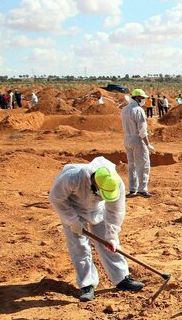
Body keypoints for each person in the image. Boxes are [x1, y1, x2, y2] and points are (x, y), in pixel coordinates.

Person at [49, 156, 145, 302]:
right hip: (72, 210)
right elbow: (57, 198)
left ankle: (122, 278)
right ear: (94, 182)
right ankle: (87, 285)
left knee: (110, 244)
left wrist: (112, 235)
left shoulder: (116, 182)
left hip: (98, 210)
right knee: (80, 246)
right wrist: (72, 221)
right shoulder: (72, 177)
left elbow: (115, 211)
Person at [121, 89, 155, 198]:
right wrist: (148, 144)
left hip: (127, 139)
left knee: (132, 165)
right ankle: (142, 189)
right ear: (137, 98)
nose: (143, 100)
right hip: (137, 140)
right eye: (142, 98)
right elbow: (142, 130)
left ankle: (132, 189)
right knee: (143, 165)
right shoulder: (138, 110)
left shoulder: (124, 109)